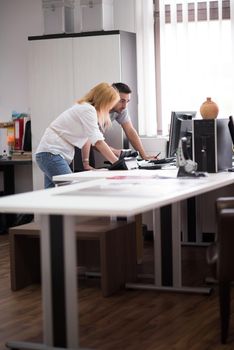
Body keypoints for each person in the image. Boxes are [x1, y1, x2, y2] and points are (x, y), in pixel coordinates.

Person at [35, 82, 120, 188]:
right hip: (52, 154)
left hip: (49, 154)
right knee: (70, 190)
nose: (110, 108)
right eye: (110, 104)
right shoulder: (88, 110)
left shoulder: (84, 108)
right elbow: (98, 142)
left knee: (52, 195)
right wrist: (118, 164)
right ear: (104, 101)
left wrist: (86, 163)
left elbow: (88, 139)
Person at [82, 82, 157, 170]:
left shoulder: (121, 109)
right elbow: (90, 138)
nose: (125, 106)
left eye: (127, 101)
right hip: (78, 145)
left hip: (88, 144)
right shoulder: (92, 110)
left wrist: (144, 156)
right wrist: (116, 159)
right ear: (111, 97)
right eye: (121, 101)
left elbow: (130, 131)